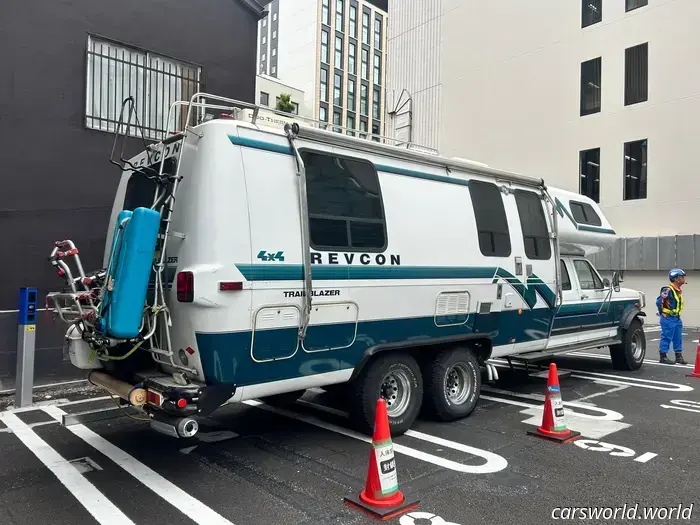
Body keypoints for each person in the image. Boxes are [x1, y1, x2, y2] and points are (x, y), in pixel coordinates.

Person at [656, 268, 688, 365]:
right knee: (666, 336)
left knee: (677, 337)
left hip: (676, 318)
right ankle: (663, 356)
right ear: (676, 279)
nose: (683, 278)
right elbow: (659, 301)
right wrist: (663, 313)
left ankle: (678, 356)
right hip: (668, 317)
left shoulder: (677, 290)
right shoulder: (668, 289)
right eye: (682, 277)